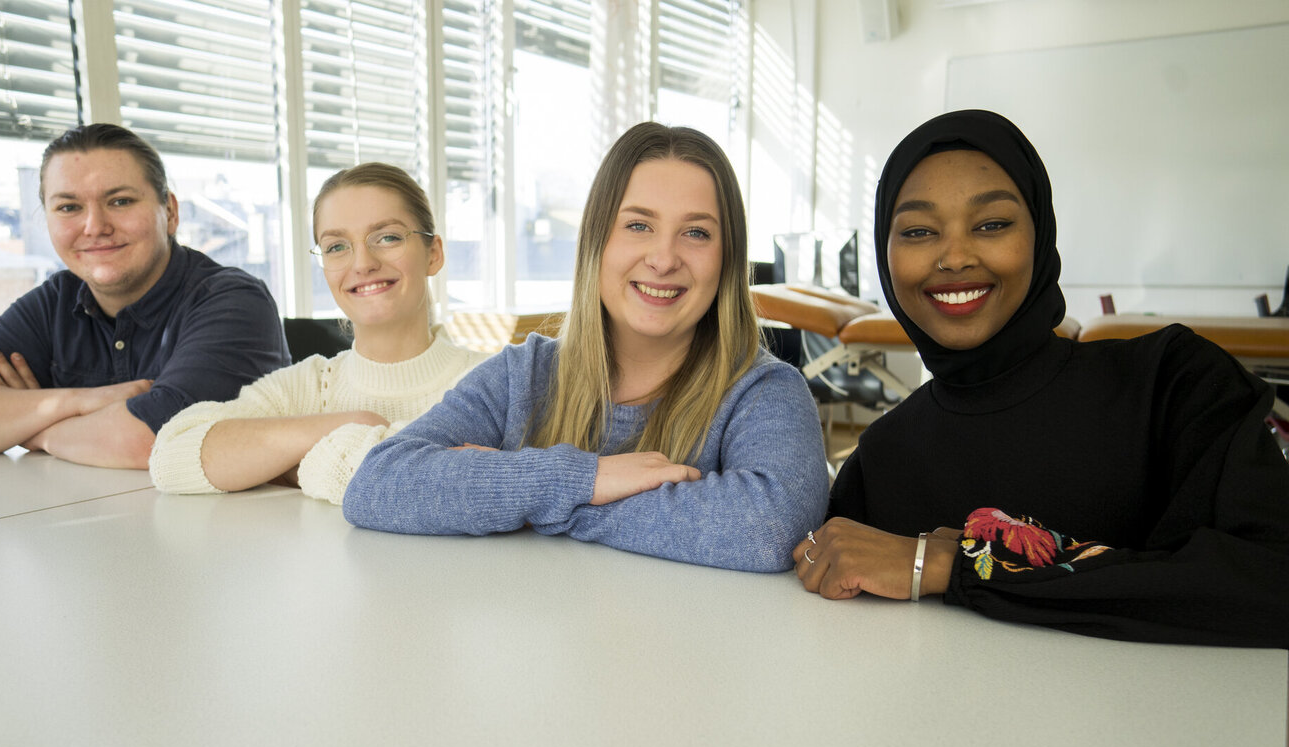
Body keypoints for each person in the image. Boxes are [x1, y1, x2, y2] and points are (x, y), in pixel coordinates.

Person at [793, 109, 1289, 647]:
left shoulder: (1173, 384)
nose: (955, 257)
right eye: (917, 231)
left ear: (1040, 234)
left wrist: (949, 564)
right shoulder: (883, 458)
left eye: (992, 225)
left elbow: (1267, 577)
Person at [344, 123, 827, 572]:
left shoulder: (764, 392)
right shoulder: (525, 374)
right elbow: (376, 485)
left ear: (727, 260)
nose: (663, 258)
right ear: (596, 241)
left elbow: (771, 528)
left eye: (696, 232)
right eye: (638, 225)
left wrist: (531, 501)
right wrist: (588, 478)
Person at [0, 123, 289, 469]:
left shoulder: (233, 300)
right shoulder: (55, 300)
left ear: (168, 211)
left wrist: (32, 431)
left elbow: (151, 441)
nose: (94, 226)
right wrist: (77, 402)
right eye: (69, 207)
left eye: (120, 201)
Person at [149, 163, 487, 504]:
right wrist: (357, 422)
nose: (362, 263)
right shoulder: (304, 386)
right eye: (337, 246)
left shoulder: (500, 382)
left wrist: (298, 467)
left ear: (434, 254)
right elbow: (171, 456)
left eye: (388, 237)